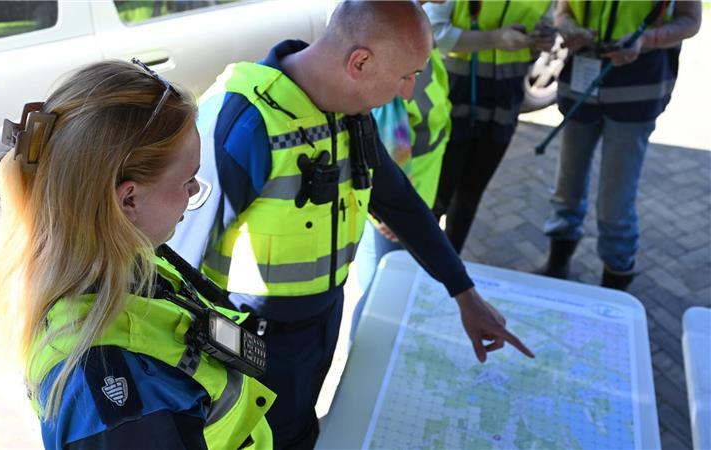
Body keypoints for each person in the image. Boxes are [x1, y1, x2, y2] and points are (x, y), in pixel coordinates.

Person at [168, 2, 535, 448]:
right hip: (253, 345)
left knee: (303, 432)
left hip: (320, 327)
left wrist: (465, 293)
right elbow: (172, 267)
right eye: (406, 76)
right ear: (360, 62)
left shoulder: (349, 113)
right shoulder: (245, 125)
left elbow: (401, 205)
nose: (407, 93)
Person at [0, 59, 275, 449]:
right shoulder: (108, 383)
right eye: (188, 179)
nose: (193, 192)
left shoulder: (127, 262)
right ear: (128, 200)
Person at [536, 0, 701, 290]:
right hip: (580, 83)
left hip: (638, 86)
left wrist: (645, 39)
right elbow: (563, 10)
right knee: (567, 185)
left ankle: (615, 280)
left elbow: (690, 21)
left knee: (616, 200)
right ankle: (556, 264)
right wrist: (570, 28)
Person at [425, 0, 555, 253]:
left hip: (503, 106)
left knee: (470, 195)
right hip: (453, 103)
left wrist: (541, 41)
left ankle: (449, 264)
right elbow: (434, 33)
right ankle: (422, 263)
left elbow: (542, 29)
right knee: (436, 196)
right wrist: (493, 39)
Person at [351, 45, 451, 337]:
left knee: (382, 289)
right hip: (394, 216)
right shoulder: (398, 62)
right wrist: (389, 214)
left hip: (409, 201)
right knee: (381, 298)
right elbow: (387, 155)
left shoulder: (423, 44)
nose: (408, 87)